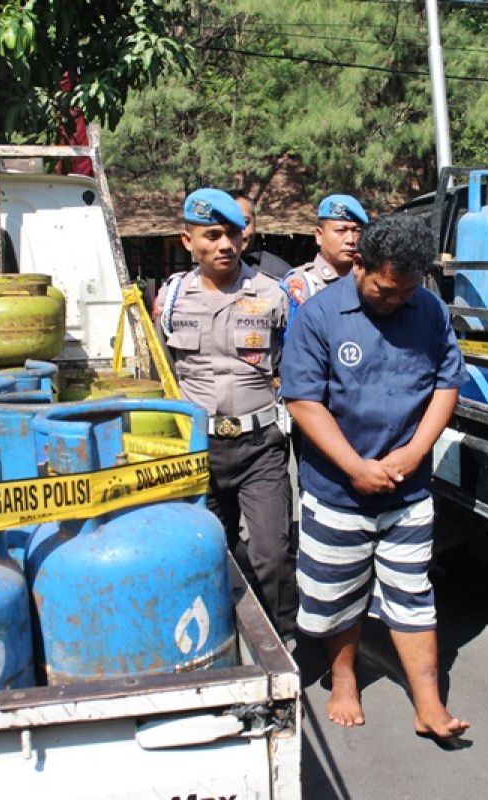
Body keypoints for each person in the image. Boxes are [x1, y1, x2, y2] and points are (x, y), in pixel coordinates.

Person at [280, 213, 471, 742]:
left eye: (405, 293)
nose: (394, 302)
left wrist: (414, 452)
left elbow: (444, 385)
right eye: (385, 290)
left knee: (413, 592)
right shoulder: (318, 316)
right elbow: (303, 400)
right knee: (337, 594)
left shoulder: (428, 309)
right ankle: (344, 679)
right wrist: (354, 467)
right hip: (337, 491)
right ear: (358, 263)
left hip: (408, 492)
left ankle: (428, 703)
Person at [155, 187, 297, 641]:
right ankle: (223, 634)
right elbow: (163, 371)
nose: (224, 245)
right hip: (199, 450)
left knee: (272, 553)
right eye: (212, 235)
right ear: (187, 240)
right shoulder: (172, 299)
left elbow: (294, 367)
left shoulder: (273, 296)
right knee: (210, 551)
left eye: (233, 234)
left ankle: (281, 638)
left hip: (261, 448)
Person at [281, 194, 367, 321]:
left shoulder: (369, 280)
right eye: (340, 231)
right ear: (319, 235)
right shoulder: (302, 283)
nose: (350, 240)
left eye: (357, 231)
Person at [228, 190, 293, 280]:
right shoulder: (205, 271)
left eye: (245, 222)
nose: (239, 232)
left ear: (255, 223)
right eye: (231, 225)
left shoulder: (279, 273)